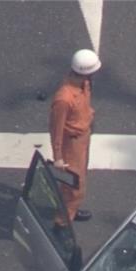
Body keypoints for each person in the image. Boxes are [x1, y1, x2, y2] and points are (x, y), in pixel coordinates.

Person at [48, 48, 101, 222]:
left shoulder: (84, 84)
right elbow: (56, 129)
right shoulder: (64, 99)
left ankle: (71, 209)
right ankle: (62, 222)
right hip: (71, 144)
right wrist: (58, 157)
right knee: (73, 186)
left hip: (82, 137)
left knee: (79, 178)